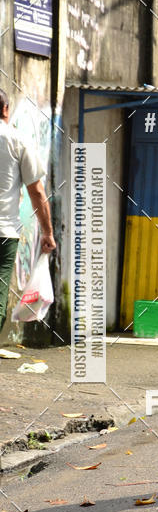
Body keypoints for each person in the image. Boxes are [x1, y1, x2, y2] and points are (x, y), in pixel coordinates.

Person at [0, 89, 56, 335]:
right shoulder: (18, 140)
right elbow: (37, 192)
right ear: (5, 109)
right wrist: (47, 232)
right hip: (4, 233)